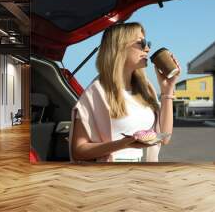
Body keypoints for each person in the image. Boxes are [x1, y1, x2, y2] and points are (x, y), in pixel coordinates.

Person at [69, 22, 180, 162]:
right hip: (110, 176)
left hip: (143, 174)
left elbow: (165, 137)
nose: (147, 49)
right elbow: (78, 151)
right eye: (141, 43)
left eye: (148, 43)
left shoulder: (146, 89)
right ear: (119, 48)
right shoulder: (96, 93)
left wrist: (167, 90)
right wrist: (122, 144)